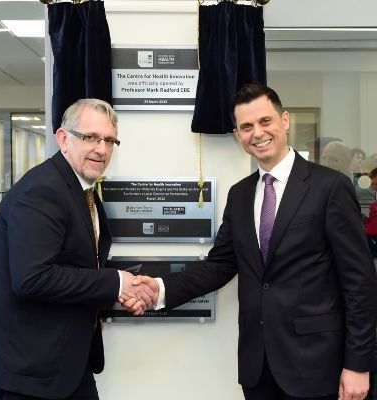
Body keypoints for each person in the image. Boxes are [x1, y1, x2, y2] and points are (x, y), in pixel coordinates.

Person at [124, 83, 377, 400]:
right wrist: (158, 290)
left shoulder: (330, 187)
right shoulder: (240, 194)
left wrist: (359, 364)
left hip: (318, 365)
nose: (257, 133)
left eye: (265, 121)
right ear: (237, 134)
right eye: (246, 127)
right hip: (258, 368)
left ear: (284, 120)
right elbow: (220, 266)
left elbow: (360, 282)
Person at [0, 99, 155, 400]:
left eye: (109, 140)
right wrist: (117, 283)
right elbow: (32, 278)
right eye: (90, 137)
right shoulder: (42, 190)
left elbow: (79, 266)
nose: (101, 149)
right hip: (24, 372)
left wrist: (119, 292)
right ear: (62, 138)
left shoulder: (80, 188)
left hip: (64, 363)